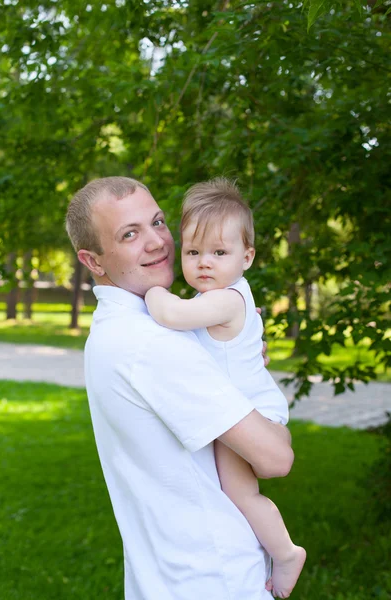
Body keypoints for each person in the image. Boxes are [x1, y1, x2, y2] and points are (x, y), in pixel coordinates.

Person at [65, 176, 294, 600]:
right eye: (130, 234)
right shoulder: (152, 342)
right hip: (213, 580)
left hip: (168, 579)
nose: (156, 242)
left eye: (158, 222)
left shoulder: (118, 330)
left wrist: (236, 350)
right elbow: (276, 458)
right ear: (93, 261)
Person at [145, 178, 306, 599]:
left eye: (219, 252)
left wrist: (152, 291)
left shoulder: (225, 300)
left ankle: (286, 552)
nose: (204, 263)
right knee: (231, 490)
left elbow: (171, 315)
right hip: (246, 406)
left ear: (247, 256)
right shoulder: (224, 297)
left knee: (240, 493)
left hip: (251, 411)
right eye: (194, 252)